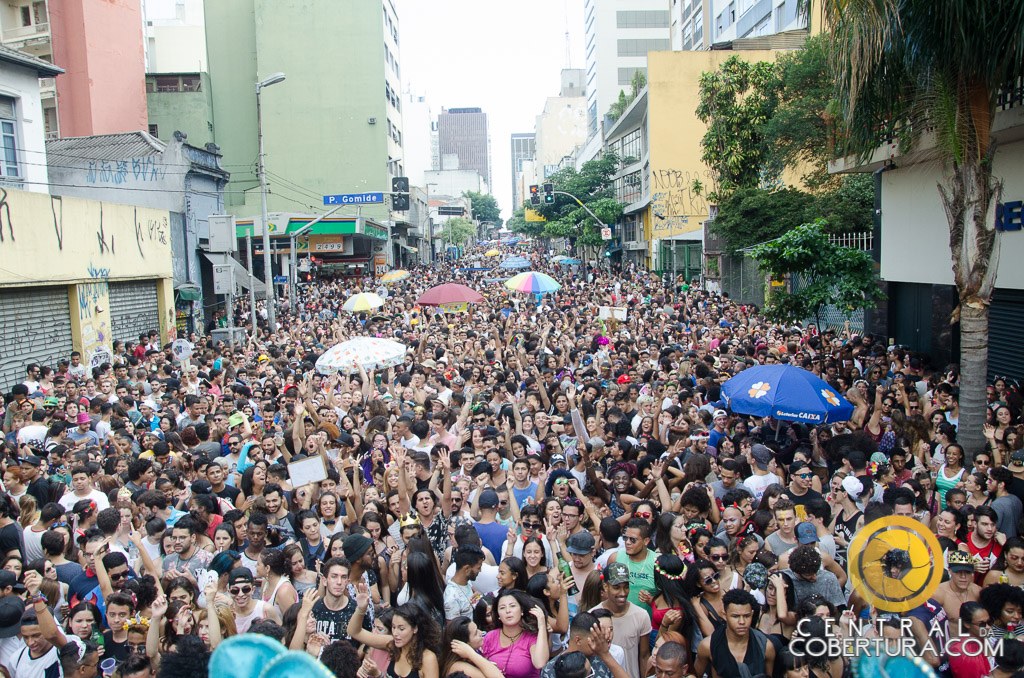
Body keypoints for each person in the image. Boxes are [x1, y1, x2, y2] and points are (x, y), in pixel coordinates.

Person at [693, 589, 775, 678]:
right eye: (735, 616)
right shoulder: (708, 646)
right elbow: (695, 675)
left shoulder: (765, 647)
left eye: (746, 616)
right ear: (725, 615)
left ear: (752, 614)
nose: (742, 622)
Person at [589, 562, 650, 678]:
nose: (623, 593)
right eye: (616, 587)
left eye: (626, 587)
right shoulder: (592, 616)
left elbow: (644, 656)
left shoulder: (641, 615)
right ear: (605, 587)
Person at [480, 589, 550, 678]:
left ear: (521, 610)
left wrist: (542, 626)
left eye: (512, 606)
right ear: (498, 615)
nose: (508, 611)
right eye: (502, 608)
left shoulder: (531, 636)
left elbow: (540, 663)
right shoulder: (490, 637)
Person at [444, 544, 484, 621]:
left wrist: (480, 597)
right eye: (478, 568)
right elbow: (453, 630)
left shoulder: (467, 582)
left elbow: (476, 596)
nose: (480, 570)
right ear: (467, 569)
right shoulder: (452, 598)